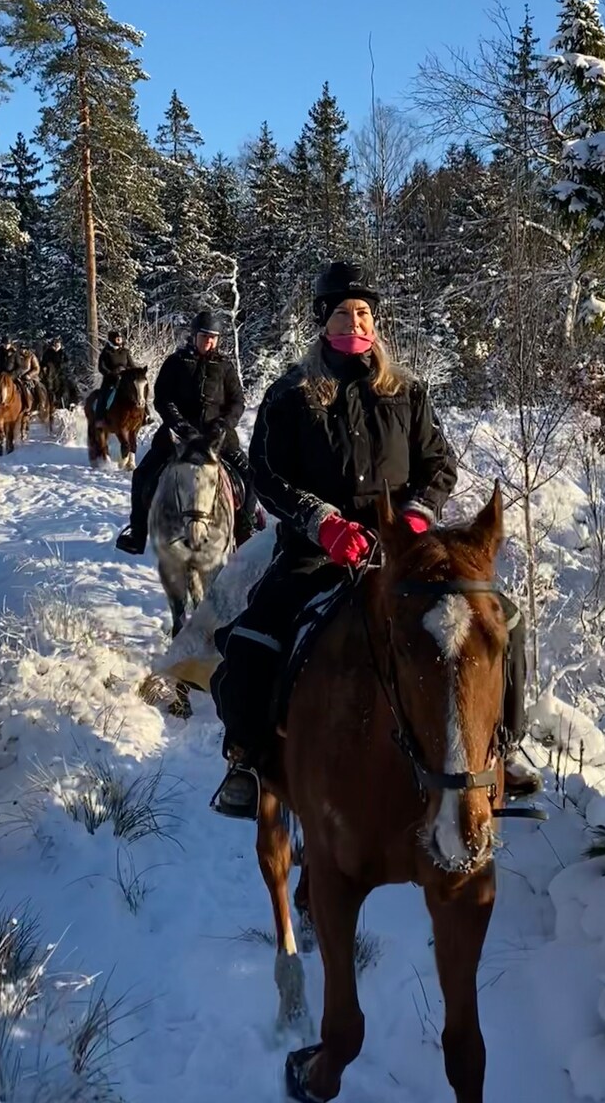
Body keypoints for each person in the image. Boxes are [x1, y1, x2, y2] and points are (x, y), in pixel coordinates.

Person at [209, 260, 541, 820]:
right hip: (317, 552)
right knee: (252, 640)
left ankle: (503, 748)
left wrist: (415, 517)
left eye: (363, 312)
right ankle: (246, 759)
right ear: (322, 322)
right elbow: (266, 472)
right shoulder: (291, 394)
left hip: (405, 553)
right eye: (343, 312)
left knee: (502, 618)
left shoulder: (407, 390)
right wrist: (321, 521)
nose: (355, 322)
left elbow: (439, 464)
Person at [116, 309, 259, 554]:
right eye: (205, 336)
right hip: (178, 436)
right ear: (194, 336)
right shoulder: (175, 362)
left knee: (250, 474)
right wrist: (181, 425)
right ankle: (138, 533)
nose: (209, 341)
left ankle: (245, 526)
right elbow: (163, 399)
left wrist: (223, 425)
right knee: (142, 474)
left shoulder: (224, 365)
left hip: (218, 437)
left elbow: (237, 402)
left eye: (213, 337)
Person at [96, 329, 134, 415]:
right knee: (104, 396)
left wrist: (138, 372)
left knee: (137, 392)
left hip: (124, 379)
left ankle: (146, 415)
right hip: (111, 380)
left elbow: (132, 365)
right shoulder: (106, 352)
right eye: (118, 338)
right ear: (112, 339)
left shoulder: (125, 352)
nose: (120, 340)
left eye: (121, 338)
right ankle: (100, 417)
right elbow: (101, 367)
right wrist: (110, 374)